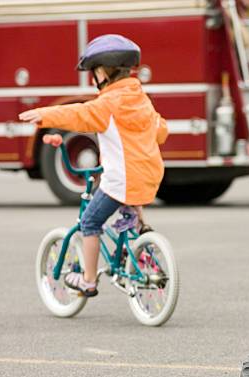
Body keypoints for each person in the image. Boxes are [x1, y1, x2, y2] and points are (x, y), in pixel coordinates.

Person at [19, 34, 167, 297]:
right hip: (150, 176)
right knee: (130, 204)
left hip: (121, 180)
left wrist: (45, 114)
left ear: (103, 72)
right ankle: (139, 234)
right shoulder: (141, 100)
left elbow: (77, 113)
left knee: (90, 222)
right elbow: (160, 131)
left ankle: (88, 279)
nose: (92, 79)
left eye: (93, 73)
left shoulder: (107, 104)